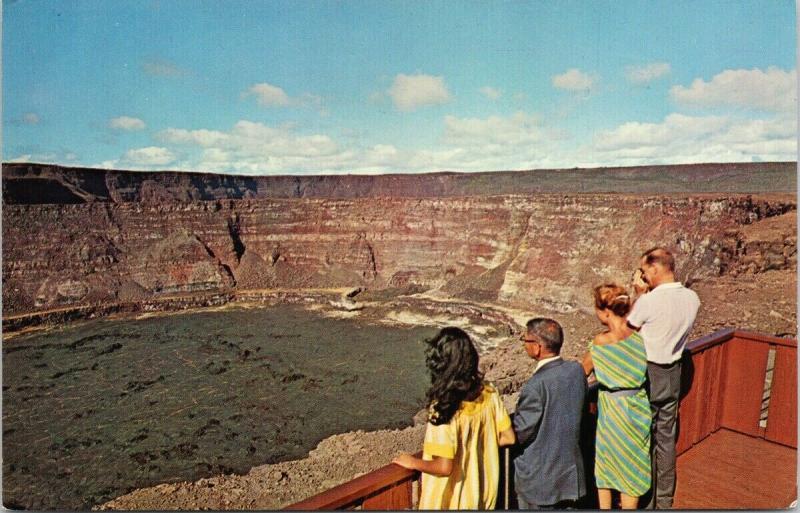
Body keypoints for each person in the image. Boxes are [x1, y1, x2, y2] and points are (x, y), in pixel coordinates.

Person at [392, 327, 516, 509]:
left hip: (451, 501)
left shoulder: (444, 408)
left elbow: (444, 466)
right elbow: (508, 437)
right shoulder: (489, 393)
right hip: (482, 497)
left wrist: (412, 462)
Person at [628, 247, 701, 509]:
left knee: (643, 439)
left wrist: (639, 295)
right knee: (666, 440)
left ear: (656, 269)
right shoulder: (692, 298)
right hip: (674, 372)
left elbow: (627, 331)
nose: (643, 276)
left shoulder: (649, 301)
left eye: (645, 271)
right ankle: (664, 501)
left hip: (648, 373)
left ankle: (645, 501)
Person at [582, 284, 651, 509]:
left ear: (606, 312)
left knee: (607, 463)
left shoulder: (600, 344)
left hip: (614, 411)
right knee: (633, 462)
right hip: (639, 406)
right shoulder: (638, 336)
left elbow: (581, 373)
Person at [513, 318, 587, 509]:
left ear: (537, 347)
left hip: (540, 482)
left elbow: (521, 432)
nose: (524, 345)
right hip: (570, 476)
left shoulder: (536, 386)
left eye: (525, 340)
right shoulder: (576, 370)